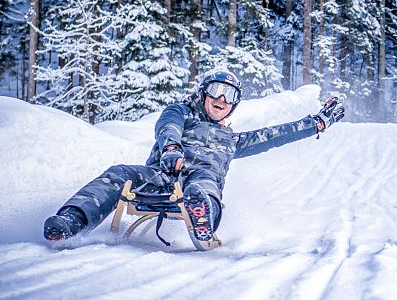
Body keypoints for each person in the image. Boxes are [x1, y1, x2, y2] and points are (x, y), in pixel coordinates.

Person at [44, 70, 345, 243]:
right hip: (163, 175)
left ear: (235, 105)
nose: (222, 100)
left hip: (199, 182)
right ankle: (72, 220)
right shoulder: (182, 112)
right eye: (216, 91)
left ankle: (203, 218)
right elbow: (167, 126)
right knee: (120, 171)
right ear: (203, 94)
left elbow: (275, 135)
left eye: (230, 97)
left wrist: (316, 123)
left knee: (203, 185)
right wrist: (171, 149)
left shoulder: (232, 139)